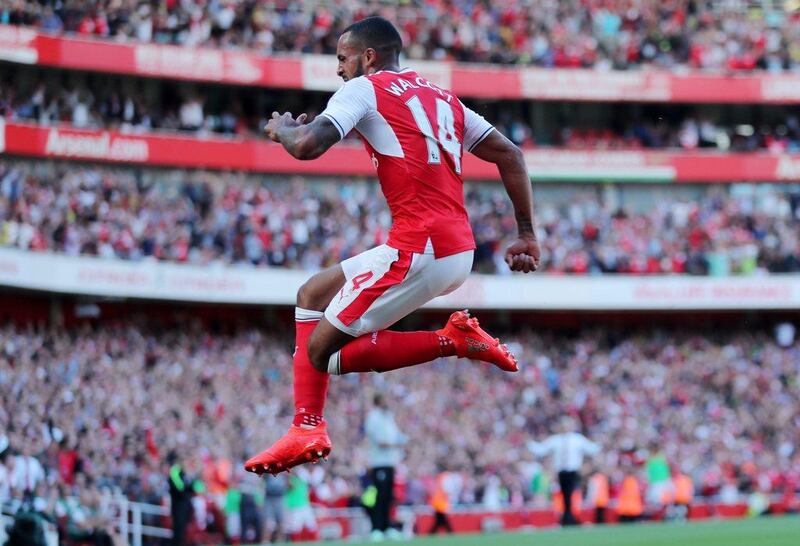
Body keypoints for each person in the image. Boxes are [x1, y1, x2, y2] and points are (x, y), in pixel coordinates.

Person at [244, 15, 540, 476]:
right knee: (310, 295)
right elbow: (511, 154)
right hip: (447, 244)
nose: (338, 70)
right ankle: (306, 423)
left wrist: (281, 128)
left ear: (368, 57)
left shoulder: (363, 89)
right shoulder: (442, 96)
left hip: (421, 248)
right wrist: (526, 233)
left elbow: (306, 146)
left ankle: (315, 421)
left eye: (342, 59)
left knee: (322, 354)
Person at [527, 417, 600, 526]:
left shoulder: (577, 439)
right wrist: (529, 443)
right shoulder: (556, 440)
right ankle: (568, 516)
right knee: (565, 495)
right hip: (561, 472)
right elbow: (541, 449)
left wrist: (602, 443)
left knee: (571, 494)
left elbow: (591, 448)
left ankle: (569, 516)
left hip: (573, 471)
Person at [364, 394, 406, 540]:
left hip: (390, 462)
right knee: (380, 496)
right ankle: (376, 528)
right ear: (379, 401)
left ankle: (387, 527)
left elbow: (396, 435)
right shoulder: (373, 418)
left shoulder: (388, 417)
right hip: (379, 463)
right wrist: (397, 443)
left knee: (388, 496)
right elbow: (380, 441)